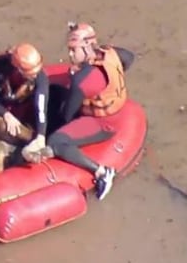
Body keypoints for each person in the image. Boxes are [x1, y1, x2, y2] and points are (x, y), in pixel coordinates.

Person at [45, 22, 136, 200]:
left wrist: (48, 131)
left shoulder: (82, 81)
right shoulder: (110, 53)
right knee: (55, 90)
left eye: (74, 50)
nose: (70, 55)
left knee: (57, 140)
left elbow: (66, 116)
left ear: (87, 47)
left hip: (104, 123)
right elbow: (129, 58)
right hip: (113, 106)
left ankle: (102, 172)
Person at [0, 43, 51, 164]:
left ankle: (32, 147)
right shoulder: (0, 65)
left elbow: (40, 108)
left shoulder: (40, 78)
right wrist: (5, 114)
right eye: (31, 72)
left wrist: (41, 135)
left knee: (27, 134)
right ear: (18, 69)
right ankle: (24, 149)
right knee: (1, 126)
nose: (35, 75)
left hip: (22, 118)